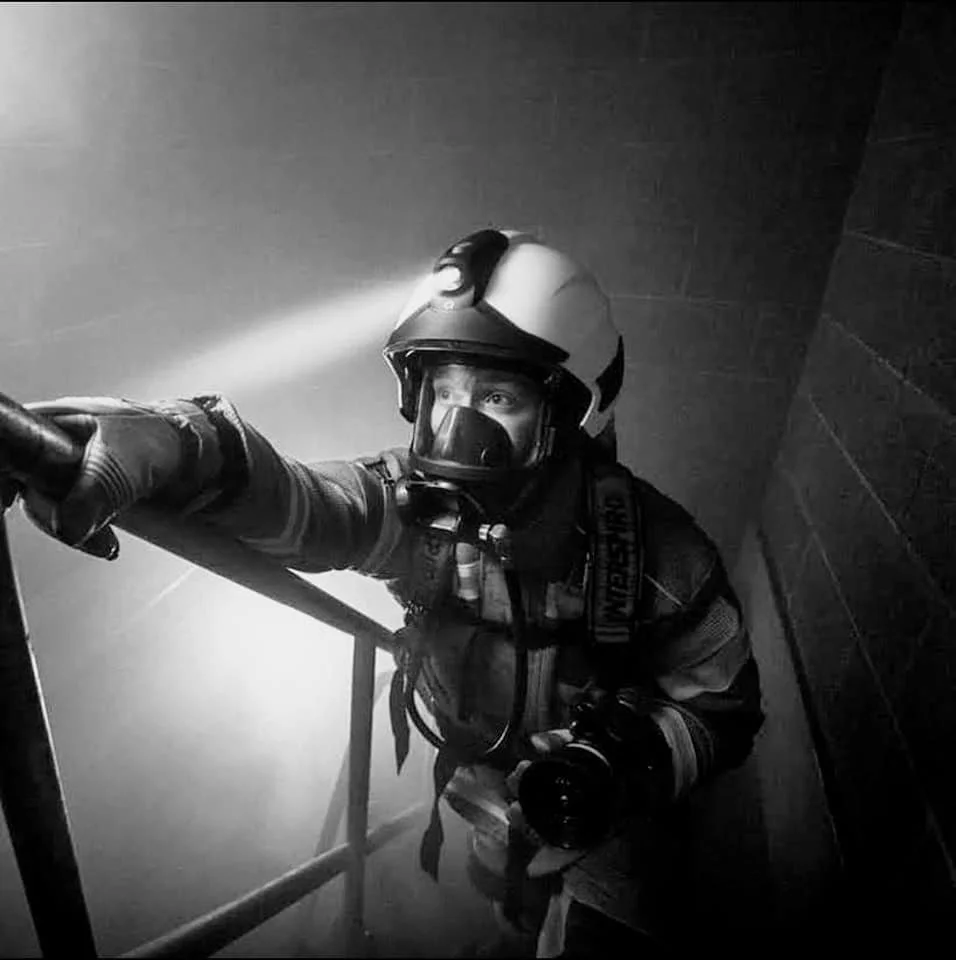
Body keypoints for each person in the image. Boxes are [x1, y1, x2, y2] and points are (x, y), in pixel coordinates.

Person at [11, 229, 764, 957]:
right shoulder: (419, 513)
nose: (455, 428)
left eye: (498, 396)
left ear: (571, 414)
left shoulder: (663, 554)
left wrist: (620, 766)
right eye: (442, 391)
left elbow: (721, 708)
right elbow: (312, 506)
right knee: (501, 889)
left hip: (616, 816)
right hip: (486, 786)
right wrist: (177, 442)